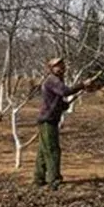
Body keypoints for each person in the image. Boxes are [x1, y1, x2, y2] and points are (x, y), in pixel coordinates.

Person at [34, 57, 96, 190]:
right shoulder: (52, 80)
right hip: (47, 120)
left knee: (43, 151)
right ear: (51, 68)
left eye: (62, 65)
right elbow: (65, 91)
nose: (61, 68)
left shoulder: (57, 80)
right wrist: (82, 84)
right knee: (52, 150)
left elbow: (56, 98)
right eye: (57, 66)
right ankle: (54, 181)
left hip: (49, 119)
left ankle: (39, 179)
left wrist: (63, 105)